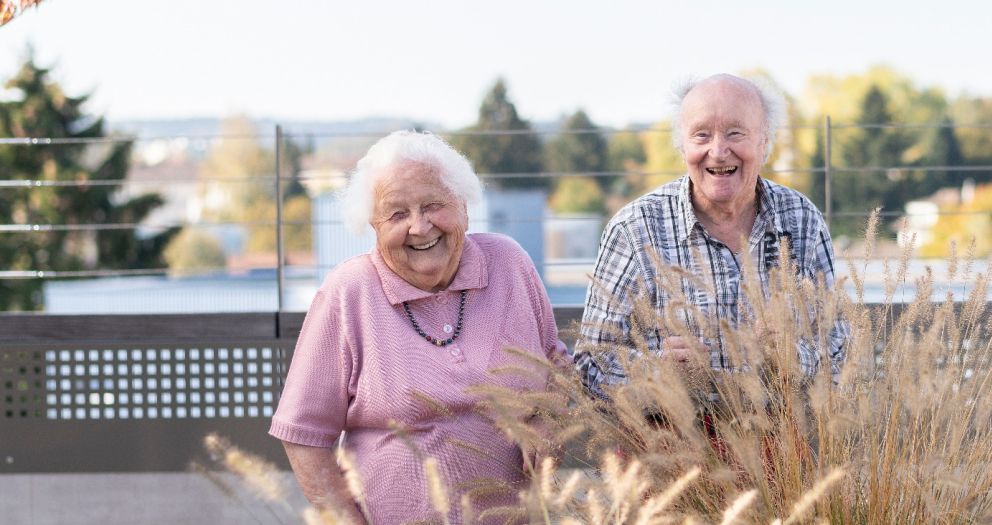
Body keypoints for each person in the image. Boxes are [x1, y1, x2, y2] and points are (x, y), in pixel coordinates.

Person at [270, 131, 566, 524]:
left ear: (463, 205)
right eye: (397, 214)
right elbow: (302, 433)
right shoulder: (348, 293)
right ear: (373, 225)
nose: (420, 227)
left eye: (433, 205)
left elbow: (556, 367)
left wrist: (549, 423)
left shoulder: (509, 263)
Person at [574, 74, 846, 399]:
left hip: (783, 443)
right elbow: (590, 364)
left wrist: (794, 359)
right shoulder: (635, 229)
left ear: (764, 143)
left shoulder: (801, 220)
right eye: (701, 135)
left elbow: (839, 349)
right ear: (683, 146)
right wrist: (659, 373)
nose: (718, 151)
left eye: (735, 133)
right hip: (668, 444)